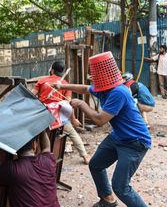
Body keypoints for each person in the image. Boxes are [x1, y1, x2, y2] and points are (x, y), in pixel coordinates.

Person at [53, 52, 151, 207]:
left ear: (104, 75)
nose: (92, 78)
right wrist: (62, 86)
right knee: (96, 165)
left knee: (121, 187)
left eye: (94, 75)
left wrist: (81, 105)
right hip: (119, 136)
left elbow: (100, 120)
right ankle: (108, 199)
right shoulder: (104, 87)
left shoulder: (118, 92)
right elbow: (86, 89)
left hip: (135, 142)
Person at [0, 131, 60, 207]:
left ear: (14, 149)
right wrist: (41, 127)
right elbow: (46, 147)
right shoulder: (47, 160)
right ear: (34, 146)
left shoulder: (11, 169)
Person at [32, 61, 90, 164]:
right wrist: (74, 119)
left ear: (52, 70)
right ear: (62, 72)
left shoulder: (42, 81)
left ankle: (34, 158)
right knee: (72, 133)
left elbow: (31, 96)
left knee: (36, 135)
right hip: (58, 117)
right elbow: (67, 103)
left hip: (42, 115)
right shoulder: (65, 84)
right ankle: (85, 155)